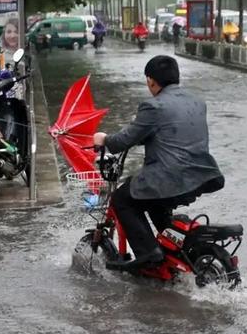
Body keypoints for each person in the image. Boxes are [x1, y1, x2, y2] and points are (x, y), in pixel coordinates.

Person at [93, 56, 224, 269]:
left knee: (121, 199)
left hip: (169, 178)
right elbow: (174, 133)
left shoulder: (153, 106)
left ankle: (148, 253)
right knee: (149, 197)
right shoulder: (197, 102)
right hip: (200, 176)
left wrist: (104, 139)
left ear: (151, 81)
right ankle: (172, 251)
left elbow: (124, 140)